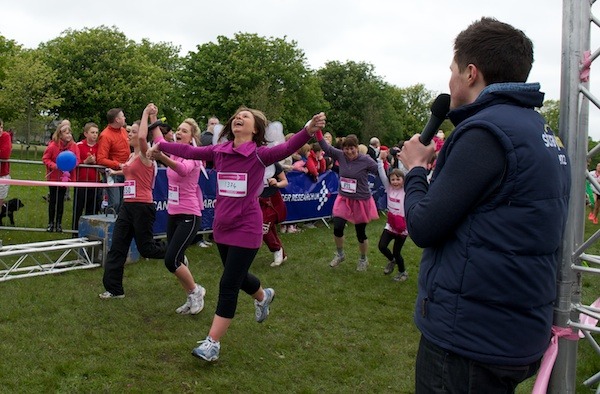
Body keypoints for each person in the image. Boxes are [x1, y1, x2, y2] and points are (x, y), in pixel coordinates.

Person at [398, 17, 571, 393]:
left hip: (468, 339)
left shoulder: (484, 132)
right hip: (513, 330)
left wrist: (414, 169)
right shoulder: (542, 131)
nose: (450, 82)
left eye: (453, 70)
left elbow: (424, 226)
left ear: (471, 73)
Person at [148, 107, 325, 362]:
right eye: (237, 117)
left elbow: (285, 149)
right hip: (223, 226)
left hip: (247, 227)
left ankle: (212, 344)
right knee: (239, 277)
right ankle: (264, 296)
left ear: (255, 130)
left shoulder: (259, 155)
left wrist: (308, 131)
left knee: (228, 284)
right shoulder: (219, 151)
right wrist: (159, 137)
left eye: (246, 117)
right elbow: (187, 150)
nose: (239, 118)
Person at [99, 109, 167, 299]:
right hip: (127, 206)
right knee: (118, 246)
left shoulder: (147, 154)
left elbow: (145, 137)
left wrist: (146, 114)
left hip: (142, 207)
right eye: (128, 131)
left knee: (146, 248)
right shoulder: (131, 156)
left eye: (133, 132)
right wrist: (115, 173)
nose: (129, 134)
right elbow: (130, 173)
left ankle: (174, 253)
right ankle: (114, 289)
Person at [146, 104, 207, 314]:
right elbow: (159, 141)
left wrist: (162, 158)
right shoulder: (175, 151)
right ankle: (191, 296)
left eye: (184, 130)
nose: (179, 132)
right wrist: (153, 117)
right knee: (177, 260)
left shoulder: (194, 155)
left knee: (171, 259)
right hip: (174, 213)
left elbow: (182, 170)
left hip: (189, 214)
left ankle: (196, 291)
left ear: (191, 137)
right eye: (178, 129)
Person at [316, 132, 379, 271]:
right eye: (346, 148)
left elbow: (379, 170)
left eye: (352, 148)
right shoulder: (340, 155)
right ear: (343, 148)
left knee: (360, 232)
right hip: (344, 198)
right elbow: (326, 148)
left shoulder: (366, 160)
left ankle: (363, 259)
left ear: (357, 147)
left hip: (361, 200)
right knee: (338, 227)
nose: (349, 151)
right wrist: (317, 131)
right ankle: (340, 254)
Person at [376, 151, 408, 282]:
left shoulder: (406, 190)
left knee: (397, 251)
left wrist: (403, 159)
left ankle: (403, 272)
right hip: (390, 224)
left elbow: (408, 171)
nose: (395, 182)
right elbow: (382, 174)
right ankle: (392, 260)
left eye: (398, 179)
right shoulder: (389, 188)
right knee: (382, 246)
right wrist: (379, 160)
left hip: (402, 226)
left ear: (403, 180)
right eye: (393, 179)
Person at [42, 121, 80, 233]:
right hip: (54, 177)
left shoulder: (73, 146)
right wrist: (55, 166)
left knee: (61, 201)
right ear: (60, 134)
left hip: (65, 177)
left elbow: (77, 159)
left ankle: (59, 223)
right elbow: (45, 159)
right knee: (53, 200)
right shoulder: (53, 146)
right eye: (66, 133)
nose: (68, 135)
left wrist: (71, 165)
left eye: (70, 133)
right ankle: (50, 223)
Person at [97, 108, 130, 215]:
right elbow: (101, 159)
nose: (125, 118)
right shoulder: (105, 135)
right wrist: (118, 164)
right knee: (115, 202)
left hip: (125, 171)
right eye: (123, 116)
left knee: (124, 202)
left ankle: (120, 227)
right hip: (113, 173)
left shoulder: (124, 131)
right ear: (117, 119)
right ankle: (109, 225)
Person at [73, 122, 101, 231]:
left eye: (96, 133)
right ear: (86, 133)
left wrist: (95, 162)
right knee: (78, 209)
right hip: (81, 182)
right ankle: (75, 231)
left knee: (92, 210)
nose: (95, 135)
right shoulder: (78, 145)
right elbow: (74, 161)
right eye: (92, 132)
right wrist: (85, 161)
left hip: (94, 182)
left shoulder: (99, 147)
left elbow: (102, 159)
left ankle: (90, 232)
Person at [260, 162, 289, 267]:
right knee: (269, 228)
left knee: (263, 227)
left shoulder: (274, 164)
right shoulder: (252, 162)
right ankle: (282, 253)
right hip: (258, 199)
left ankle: (277, 249)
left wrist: (276, 183)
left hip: (272, 200)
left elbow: (285, 181)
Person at [0, 118, 12, 212]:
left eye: (1, 127)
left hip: (2, 174)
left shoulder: (5, 136)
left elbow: (5, 154)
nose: (0, 129)